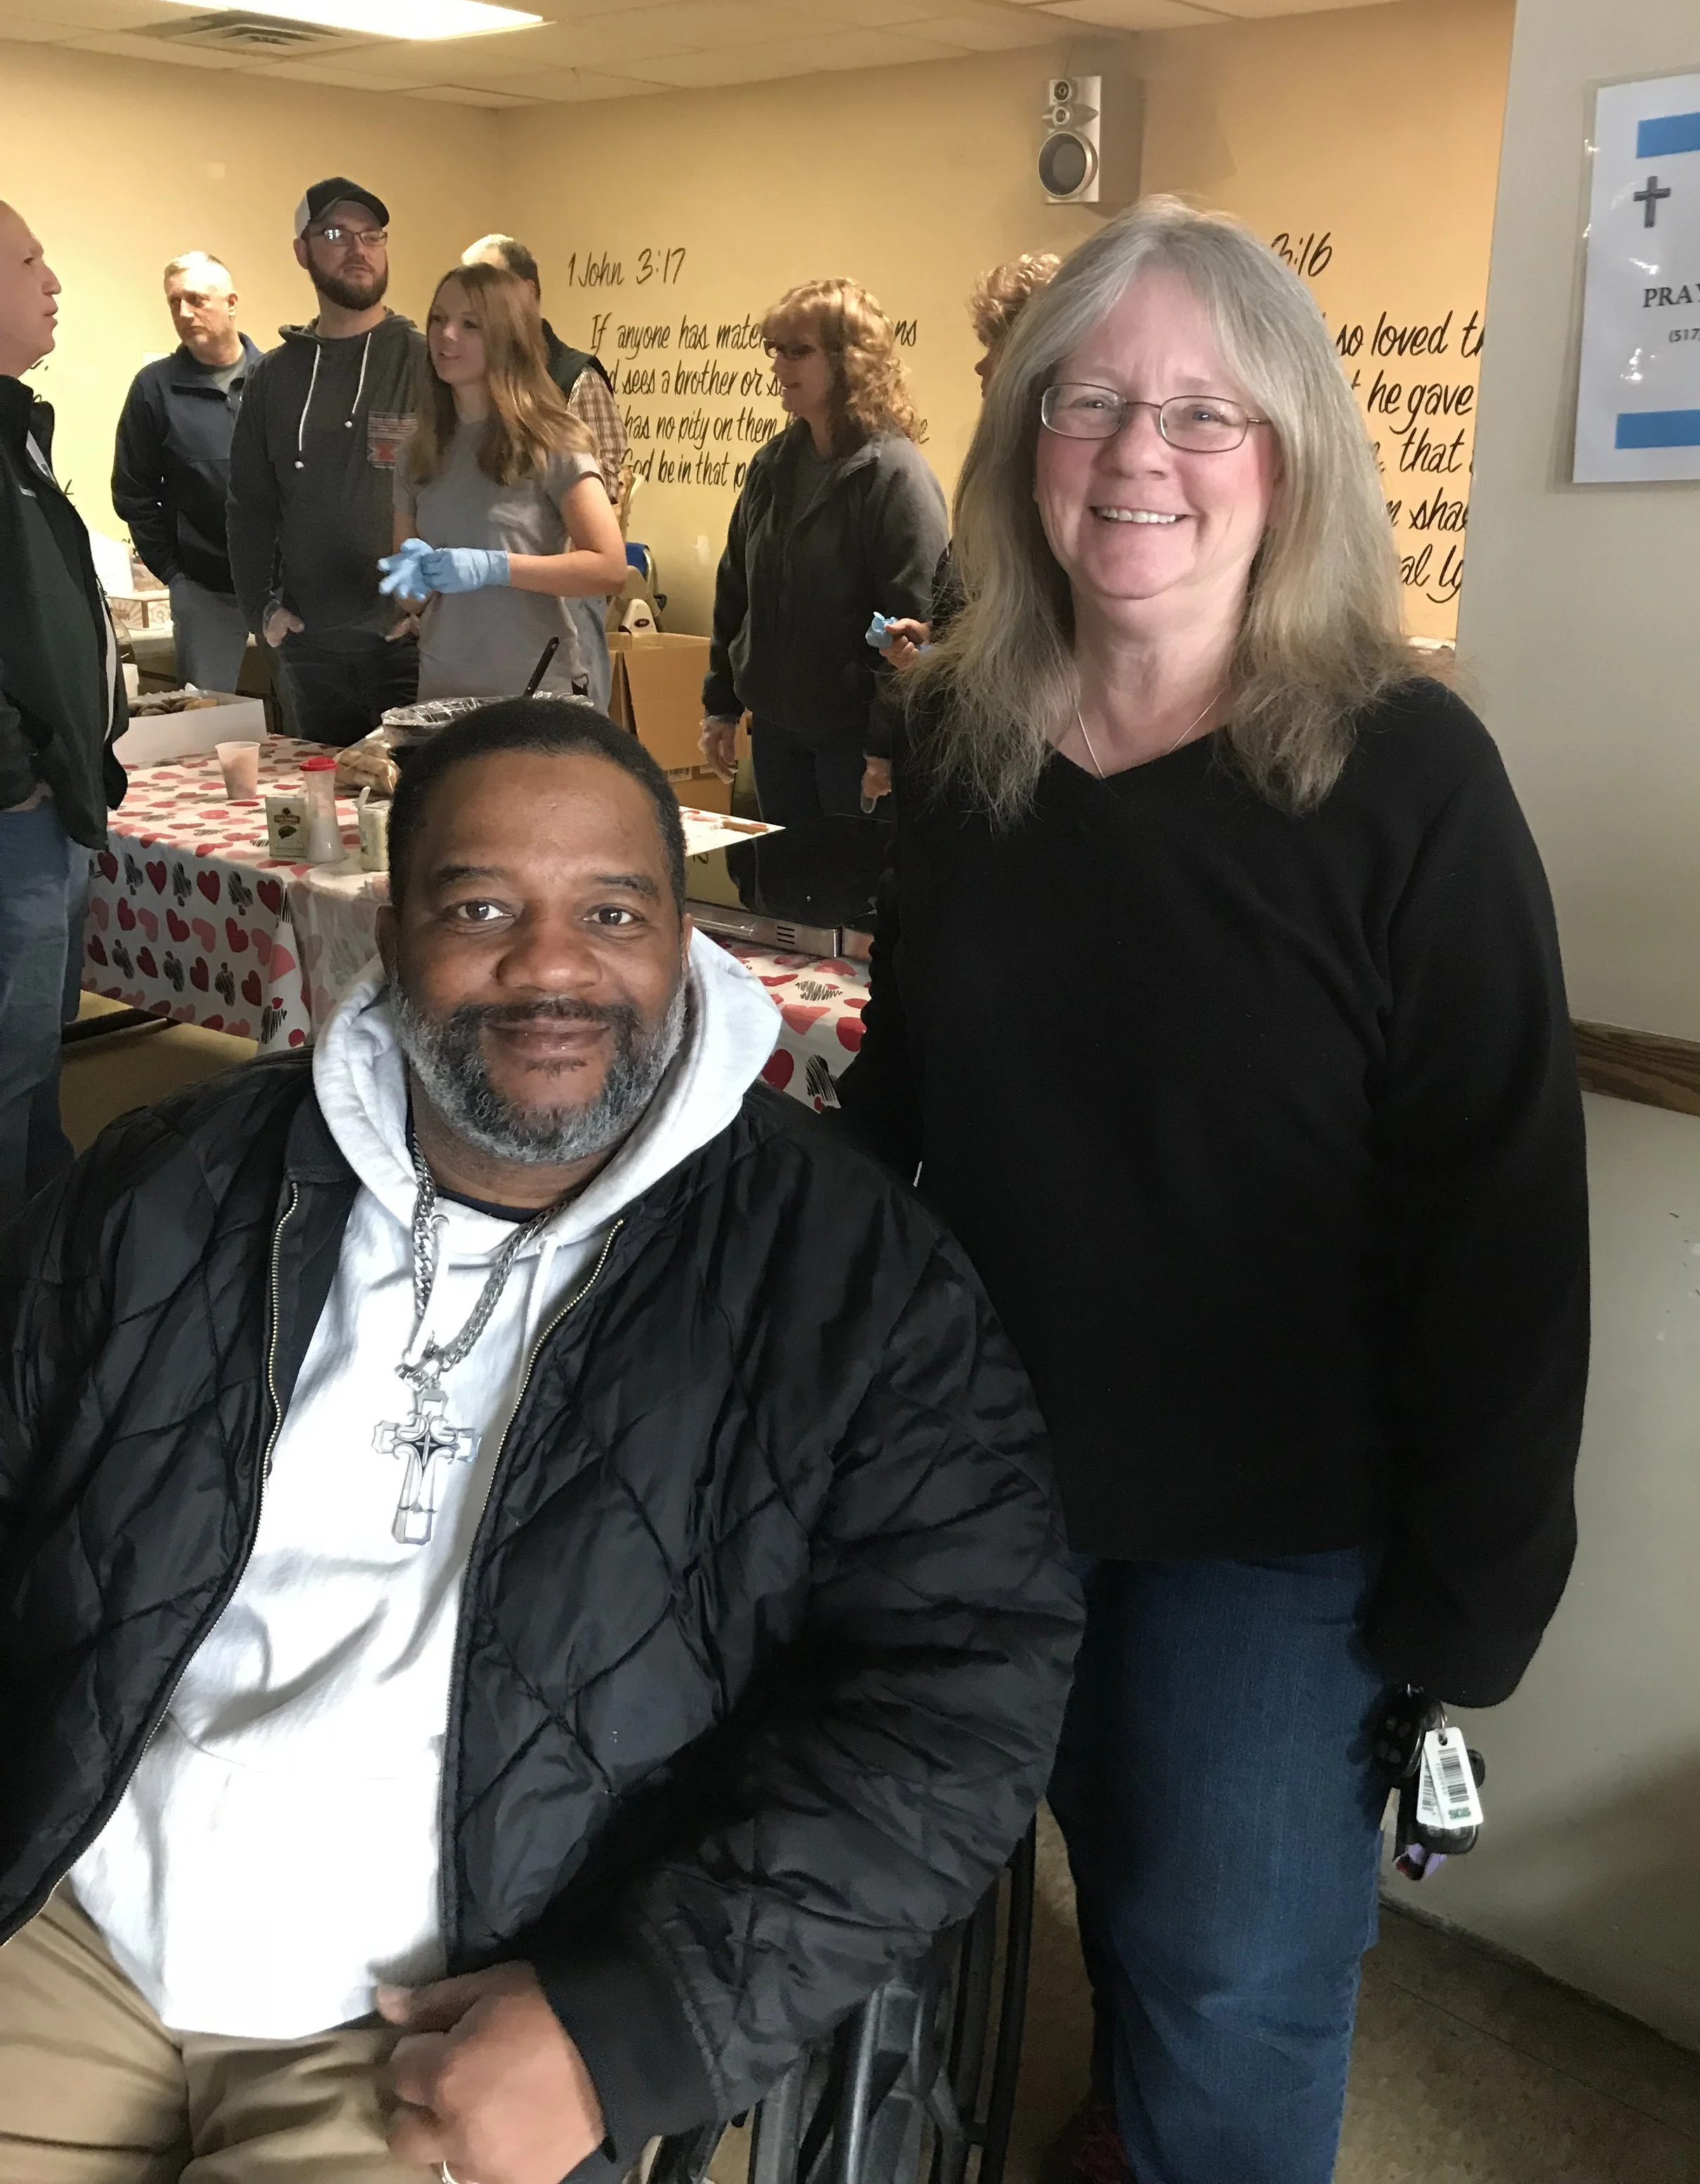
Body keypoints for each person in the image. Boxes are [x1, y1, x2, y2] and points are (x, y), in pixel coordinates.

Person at [0, 694, 1081, 2182]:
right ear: (388, 935)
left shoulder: (854, 1285)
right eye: (481, 904)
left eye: (612, 909)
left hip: (452, 2017)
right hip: (76, 1915)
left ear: (680, 942)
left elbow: (963, 1685)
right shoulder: (171, 1184)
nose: (550, 964)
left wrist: (633, 2023)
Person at [837, 197, 1590, 2184]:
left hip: (1282, 1531)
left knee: (1231, 1959)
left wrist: (1476, 1585)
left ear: (1292, 462)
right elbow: (900, 1102)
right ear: (1021, 448)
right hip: (987, 1486)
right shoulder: (961, 741)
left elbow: (1500, 1211)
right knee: (1079, 1884)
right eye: (1088, 401)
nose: (1137, 453)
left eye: (1202, 411)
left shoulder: (1408, 777)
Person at [700, 279, 947, 826]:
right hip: (777, 732)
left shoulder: (893, 476)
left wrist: (884, 746)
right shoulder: (772, 466)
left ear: (848, 360)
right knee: (784, 895)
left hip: (855, 744)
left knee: (847, 900)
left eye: (797, 350)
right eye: (775, 350)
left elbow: (915, 624)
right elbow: (736, 588)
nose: (778, 366)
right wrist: (721, 703)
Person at [0, 197, 126, 1226]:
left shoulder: (16, 434)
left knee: (35, 1054)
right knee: (6, 1066)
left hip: (53, 809)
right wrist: (18, 779)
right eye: (30, 260)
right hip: (15, 823)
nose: (53, 282)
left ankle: (40, 1256)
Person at [228, 176, 426, 745]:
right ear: (303, 251)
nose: (359, 250)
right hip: (308, 651)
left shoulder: (424, 362)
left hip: (406, 646)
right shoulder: (274, 376)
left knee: (414, 815)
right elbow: (248, 506)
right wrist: (261, 613)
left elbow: (465, 492)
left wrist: (436, 612)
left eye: (373, 235)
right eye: (337, 234)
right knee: (322, 817)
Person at [864, 252, 1062, 798]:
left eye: (992, 351)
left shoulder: (1062, 493)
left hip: (1017, 777)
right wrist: (934, 649)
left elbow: (1040, 658)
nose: (980, 369)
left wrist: (944, 664)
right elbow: (991, 632)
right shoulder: (1004, 474)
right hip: (965, 754)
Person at [384, 263, 626, 706]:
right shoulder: (417, 453)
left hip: (532, 688)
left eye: (469, 324)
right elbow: (411, 601)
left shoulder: (554, 441)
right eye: (438, 319)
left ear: (507, 337)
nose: (445, 335)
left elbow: (609, 569)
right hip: (442, 691)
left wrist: (495, 567)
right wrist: (412, 580)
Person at [111, 249, 261, 691]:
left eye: (196, 299)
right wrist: (174, 573)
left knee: (308, 717)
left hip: (284, 589)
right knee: (205, 720)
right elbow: (133, 491)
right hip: (203, 589)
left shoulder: (274, 378)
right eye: (174, 302)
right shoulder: (154, 387)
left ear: (231, 302)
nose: (184, 312)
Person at [462, 233, 627, 485]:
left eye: (489, 287)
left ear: (528, 290)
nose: (476, 302)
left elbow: (601, 484)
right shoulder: (466, 373)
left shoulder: (577, 379)